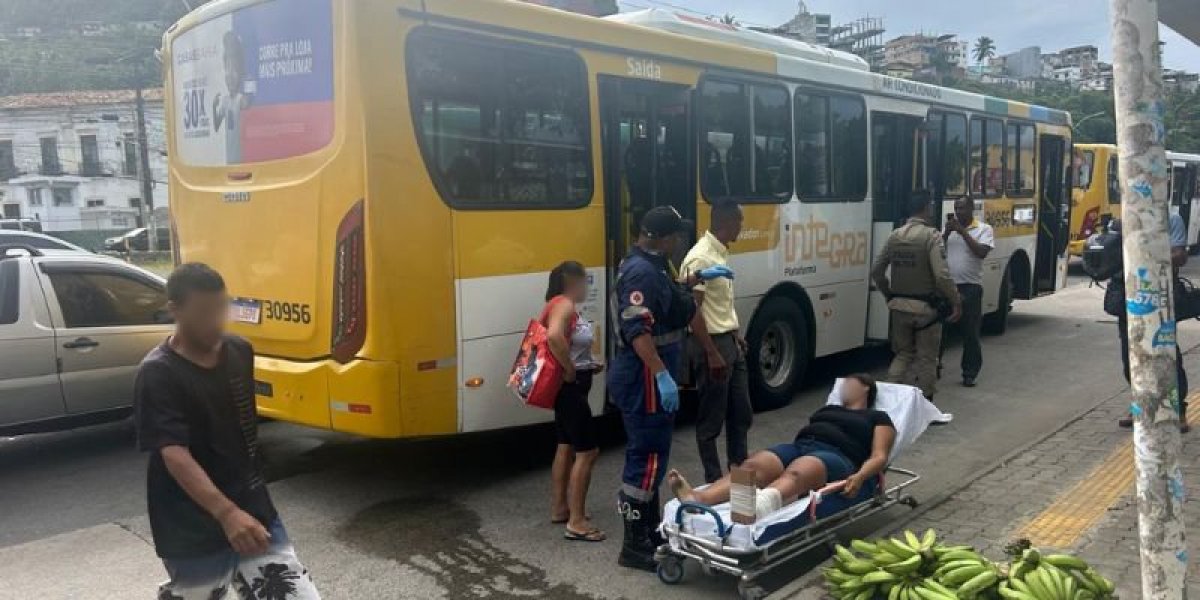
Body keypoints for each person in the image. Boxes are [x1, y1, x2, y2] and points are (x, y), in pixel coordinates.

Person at [135, 264, 320, 600]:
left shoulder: (239, 350)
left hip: (253, 511)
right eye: (204, 313)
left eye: (221, 308)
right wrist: (226, 513)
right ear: (175, 310)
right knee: (204, 593)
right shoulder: (158, 373)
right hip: (190, 524)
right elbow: (174, 453)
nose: (216, 321)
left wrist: (246, 502)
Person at [609, 206, 730, 571]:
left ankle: (649, 533)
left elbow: (670, 302)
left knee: (654, 458)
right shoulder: (641, 273)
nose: (680, 241)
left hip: (651, 375)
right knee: (645, 460)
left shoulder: (655, 265)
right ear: (662, 238)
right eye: (676, 235)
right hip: (644, 378)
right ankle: (634, 545)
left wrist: (694, 281)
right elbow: (637, 331)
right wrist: (661, 375)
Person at [667, 374, 895, 521]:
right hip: (801, 445)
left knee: (798, 471)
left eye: (850, 383)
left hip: (838, 455)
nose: (844, 387)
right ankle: (700, 499)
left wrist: (860, 476)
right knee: (753, 465)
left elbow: (879, 456)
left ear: (866, 388)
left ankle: (759, 508)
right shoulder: (828, 410)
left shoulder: (878, 417)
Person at [681, 199, 751, 484]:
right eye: (740, 221)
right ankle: (714, 481)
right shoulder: (701, 258)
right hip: (711, 345)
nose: (742, 227)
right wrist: (711, 352)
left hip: (729, 342)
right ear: (727, 222)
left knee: (741, 414)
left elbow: (719, 305)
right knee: (711, 420)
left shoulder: (720, 253)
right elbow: (693, 311)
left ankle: (739, 475)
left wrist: (736, 335)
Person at [871, 194, 962, 400]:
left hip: (898, 307)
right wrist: (955, 300)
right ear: (926, 208)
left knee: (903, 354)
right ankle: (924, 404)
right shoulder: (932, 236)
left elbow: (876, 271)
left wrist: (889, 295)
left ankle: (888, 397)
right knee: (926, 358)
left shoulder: (895, 236)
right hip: (926, 310)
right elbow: (941, 275)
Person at [543, 261, 605, 543]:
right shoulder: (564, 304)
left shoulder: (558, 303)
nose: (587, 287)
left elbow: (566, 340)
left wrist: (586, 364)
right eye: (585, 282)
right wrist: (569, 369)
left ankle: (561, 508)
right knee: (588, 452)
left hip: (569, 386)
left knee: (565, 445)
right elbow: (554, 336)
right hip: (570, 388)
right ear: (573, 282)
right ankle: (577, 521)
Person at [1113, 214, 1190, 432]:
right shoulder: (1125, 216)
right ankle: (1140, 404)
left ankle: (1177, 408)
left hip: (1160, 298)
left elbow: (1180, 255)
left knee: (1166, 354)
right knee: (1130, 355)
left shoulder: (1171, 218)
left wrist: (1147, 257)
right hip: (1130, 296)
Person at [940, 197, 994, 387]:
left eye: (962, 208)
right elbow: (938, 252)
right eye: (956, 208)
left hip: (970, 287)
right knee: (940, 330)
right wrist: (946, 234)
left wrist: (963, 232)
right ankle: (935, 366)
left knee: (970, 333)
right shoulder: (949, 230)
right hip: (948, 286)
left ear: (971, 209)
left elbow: (981, 252)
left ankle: (969, 373)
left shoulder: (984, 229)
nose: (958, 212)